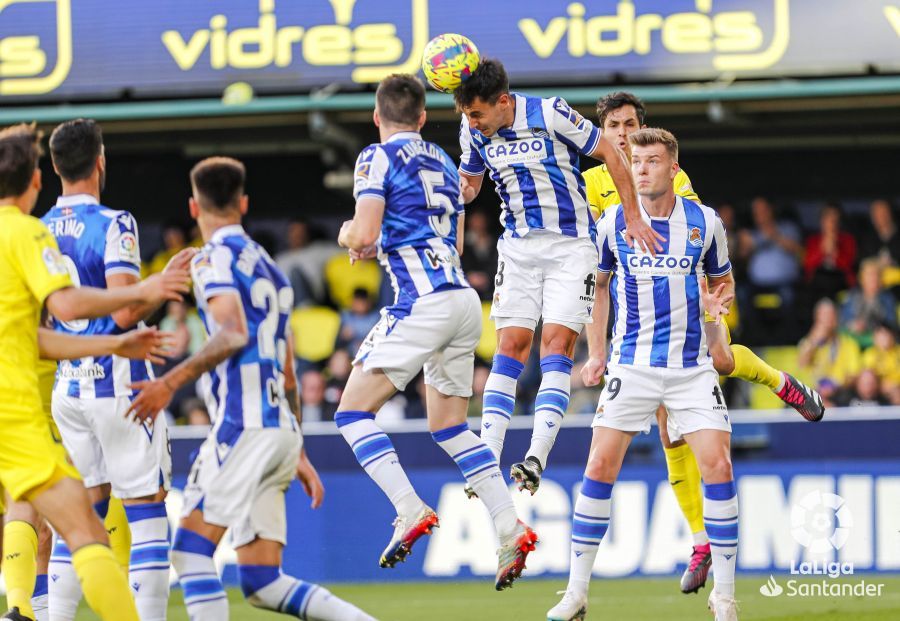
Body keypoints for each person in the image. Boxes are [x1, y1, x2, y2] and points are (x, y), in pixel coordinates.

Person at [582, 91, 825, 594]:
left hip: (690, 301)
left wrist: (707, 305)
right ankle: (699, 539)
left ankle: (782, 383)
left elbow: (689, 240)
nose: (623, 134)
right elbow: (596, 254)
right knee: (668, 433)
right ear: (602, 134)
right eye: (614, 126)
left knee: (717, 358)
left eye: (630, 123)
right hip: (641, 325)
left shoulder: (669, 173)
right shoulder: (592, 184)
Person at [126, 156, 376, 620]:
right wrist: (295, 446)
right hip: (278, 428)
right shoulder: (269, 267)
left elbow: (233, 332)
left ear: (194, 207)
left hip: (244, 426)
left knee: (191, 555)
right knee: (262, 583)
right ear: (243, 203)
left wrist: (168, 382)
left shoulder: (211, 259)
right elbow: (286, 364)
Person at [334, 73, 537, 590]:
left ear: (377, 117)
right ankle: (509, 527)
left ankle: (407, 507)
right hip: (463, 300)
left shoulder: (374, 158)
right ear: (423, 118)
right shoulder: (445, 162)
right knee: (449, 426)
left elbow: (365, 229)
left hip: (420, 302)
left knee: (352, 412)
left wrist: (352, 237)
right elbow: (453, 238)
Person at [548, 128, 739, 621]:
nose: (643, 169)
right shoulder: (611, 224)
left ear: (674, 169)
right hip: (631, 365)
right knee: (597, 467)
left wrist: (720, 304)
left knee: (718, 467)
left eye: (653, 161)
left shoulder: (706, 223)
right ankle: (576, 593)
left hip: (690, 367)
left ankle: (725, 597)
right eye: (636, 162)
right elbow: (600, 288)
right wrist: (596, 353)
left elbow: (722, 279)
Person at [0, 122, 188, 621]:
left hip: (67, 386)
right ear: (100, 161)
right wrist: (155, 288)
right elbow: (125, 313)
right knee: (147, 512)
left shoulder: (40, 226)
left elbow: (45, 316)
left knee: (77, 515)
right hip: (118, 383)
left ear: (54, 169)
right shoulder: (114, 222)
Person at [454, 59, 662, 497]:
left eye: (477, 114)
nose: (472, 122)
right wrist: (454, 189)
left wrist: (631, 218)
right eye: (468, 115)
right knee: (509, 346)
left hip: (571, 247)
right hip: (518, 246)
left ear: (504, 103)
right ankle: (488, 457)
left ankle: (535, 456)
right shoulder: (472, 131)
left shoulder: (550, 112)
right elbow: (471, 185)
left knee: (556, 346)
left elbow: (608, 152)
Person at [803, 202, 857, 303]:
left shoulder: (847, 239)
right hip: (818, 279)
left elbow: (848, 265)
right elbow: (808, 264)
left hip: (840, 279)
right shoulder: (813, 240)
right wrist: (823, 249)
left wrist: (835, 250)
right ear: (822, 222)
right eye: (828, 220)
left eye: (835, 220)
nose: (832, 224)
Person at [840, 259, 897, 348]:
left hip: (877, 342)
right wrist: (852, 324)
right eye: (869, 275)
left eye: (876, 275)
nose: (873, 278)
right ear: (862, 278)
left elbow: (891, 325)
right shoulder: (852, 295)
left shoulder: (887, 298)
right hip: (853, 340)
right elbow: (842, 321)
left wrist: (878, 330)